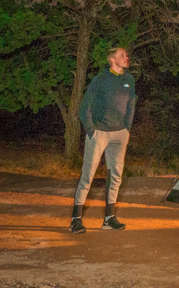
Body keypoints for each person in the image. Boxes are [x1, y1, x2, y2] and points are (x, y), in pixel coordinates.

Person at [70, 47, 136, 233]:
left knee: (116, 176)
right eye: (123, 55)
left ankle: (109, 218)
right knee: (88, 175)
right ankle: (76, 219)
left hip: (120, 133)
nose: (127, 57)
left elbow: (131, 104)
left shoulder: (128, 80)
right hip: (99, 132)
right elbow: (85, 106)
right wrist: (91, 130)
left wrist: (127, 129)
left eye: (126, 55)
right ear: (112, 59)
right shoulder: (100, 80)